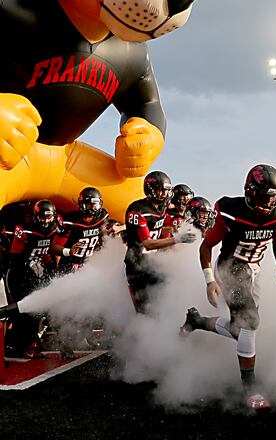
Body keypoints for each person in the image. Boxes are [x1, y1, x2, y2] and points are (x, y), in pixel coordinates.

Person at [0, 0, 195, 219]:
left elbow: (147, 104)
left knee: (137, 207)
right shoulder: (11, 14)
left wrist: (149, 135)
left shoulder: (131, 53)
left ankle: (131, 253)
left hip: (67, 161)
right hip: (8, 158)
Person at [179, 164, 276, 410]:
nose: (271, 202)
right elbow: (205, 247)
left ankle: (197, 322)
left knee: (239, 329)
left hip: (254, 270)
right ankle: (249, 388)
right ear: (251, 193)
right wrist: (210, 280)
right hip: (230, 268)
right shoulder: (232, 211)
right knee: (250, 323)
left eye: (275, 197)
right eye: (266, 196)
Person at [125, 171, 196, 314]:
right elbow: (148, 243)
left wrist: (174, 229)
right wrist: (177, 239)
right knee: (144, 310)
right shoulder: (137, 210)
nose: (165, 194)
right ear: (150, 189)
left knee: (165, 299)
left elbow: (155, 230)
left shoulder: (162, 207)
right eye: (161, 190)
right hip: (137, 265)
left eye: (167, 191)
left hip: (153, 263)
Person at [3, 200, 60, 358]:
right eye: (43, 218)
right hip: (19, 275)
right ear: (35, 217)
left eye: (49, 218)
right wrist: (27, 275)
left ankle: (28, 343)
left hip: (36, 275)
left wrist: (49, 269)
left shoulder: (54, 229)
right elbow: (14, 258)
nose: (46, 221)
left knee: (38, 311)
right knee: (24, 312)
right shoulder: (25, 230)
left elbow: (50, 251)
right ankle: (13, 345)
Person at [51, 187, 110, 275]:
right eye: (90, 205)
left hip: (88, 263)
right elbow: (54, 246)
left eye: (95, 205)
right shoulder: (70, 221)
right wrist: (69, 251)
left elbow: (103, 233)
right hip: (69, 264)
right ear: (82, 204)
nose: (93, 209)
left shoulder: (102, 216)